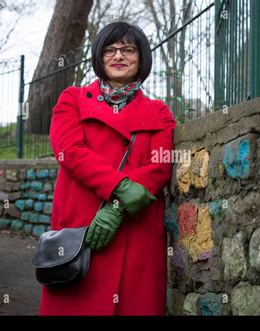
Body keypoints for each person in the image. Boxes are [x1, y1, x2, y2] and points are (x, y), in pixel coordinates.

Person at [39, 21, 176, 315]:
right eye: (110, 50)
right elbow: (69, 151)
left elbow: (160, 166)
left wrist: (116, 206)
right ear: (100, 57)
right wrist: (119, 188)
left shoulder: (159, 112)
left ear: (141, 58)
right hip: (82, 228)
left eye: (128, 50)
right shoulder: (72, 100)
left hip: (135, 232)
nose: (119, 56)